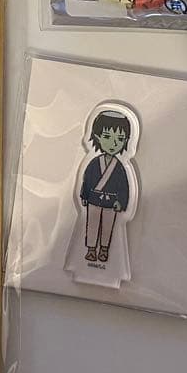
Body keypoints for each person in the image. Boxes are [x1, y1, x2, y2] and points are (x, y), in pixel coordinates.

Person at [75, 110, 134, 264]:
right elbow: (87, 180)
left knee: (108, 226)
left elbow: (124, 186)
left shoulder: (119, 167)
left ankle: (104, 249)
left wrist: (121, 201)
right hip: (94, 199)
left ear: (125, 141)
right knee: (92, 224)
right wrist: (84, 195)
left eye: (119, 139)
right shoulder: (94, 163)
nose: (114, 144)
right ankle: (91, 250)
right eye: (107, 137)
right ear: (97, 137)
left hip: (111, 202)